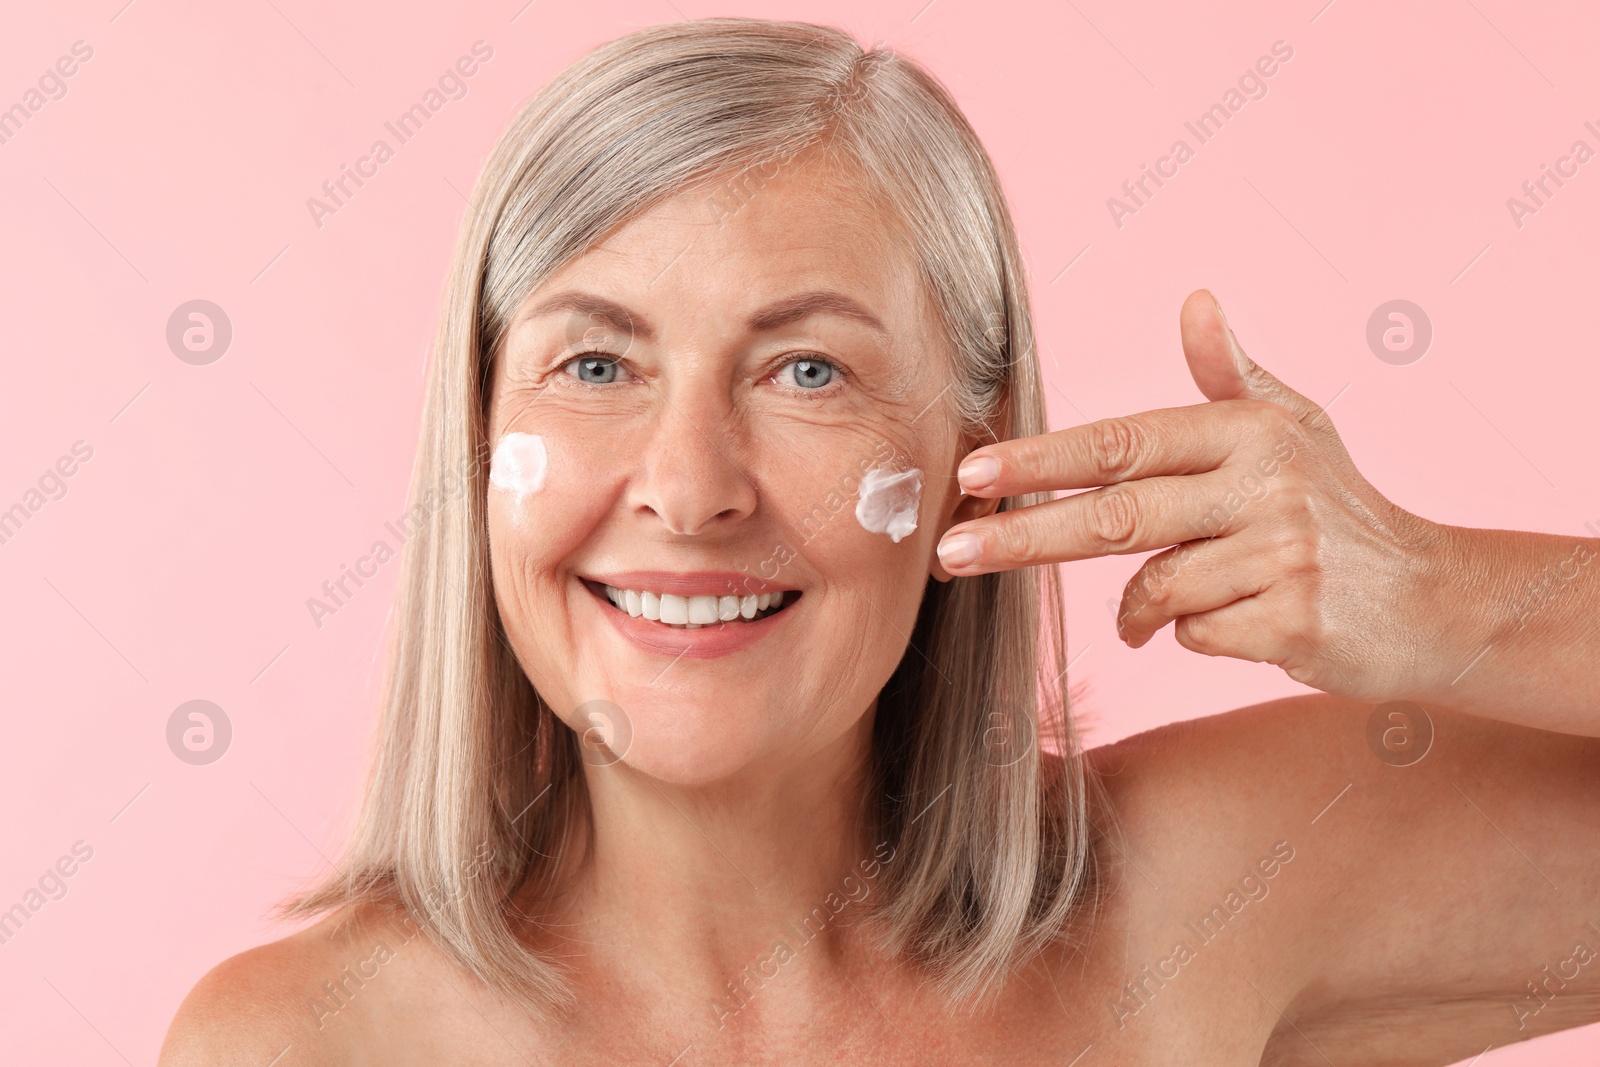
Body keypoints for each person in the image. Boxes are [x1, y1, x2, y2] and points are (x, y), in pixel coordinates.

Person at [160, 18, 1600, 1065]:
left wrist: (1442, 596)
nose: (690, 488)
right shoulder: (294, 1046)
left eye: (807, 373)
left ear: (973, 451)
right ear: (476, 444)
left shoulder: (1200, 897)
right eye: (595, 367)